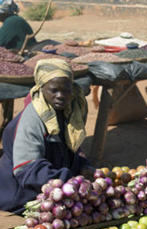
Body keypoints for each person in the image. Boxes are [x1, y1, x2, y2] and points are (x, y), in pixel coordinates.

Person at [0, 59, 93, 214]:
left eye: (66, 90)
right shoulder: (31, 120)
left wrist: (83, 166)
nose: (60, 96)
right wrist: (71, 179)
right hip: (20, 199)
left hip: (51, 192)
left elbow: (68, 150)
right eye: (54, 90)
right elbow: (27, 171)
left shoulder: (68, 112)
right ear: (41, 89)